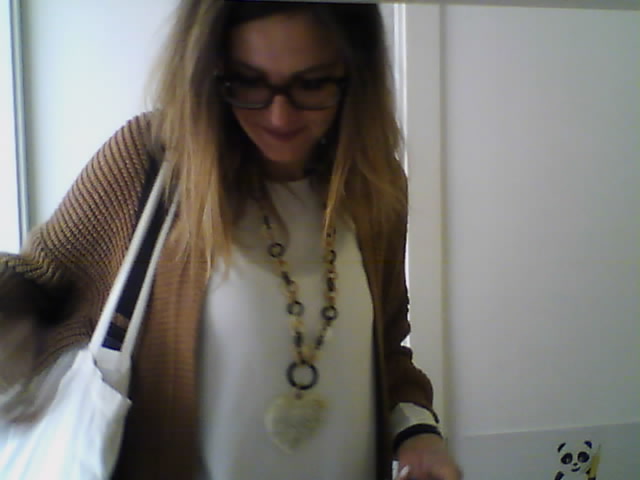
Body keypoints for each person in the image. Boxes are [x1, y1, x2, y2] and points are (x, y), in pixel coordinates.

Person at [0, 1, 462, 479]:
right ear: (210, 72)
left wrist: (418, 433)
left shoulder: (373, 185)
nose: (279, 116)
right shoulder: (151, 161)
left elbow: (386, 348)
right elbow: (38, 280)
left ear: (354, 76)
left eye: (312, 84)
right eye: (248, 81)